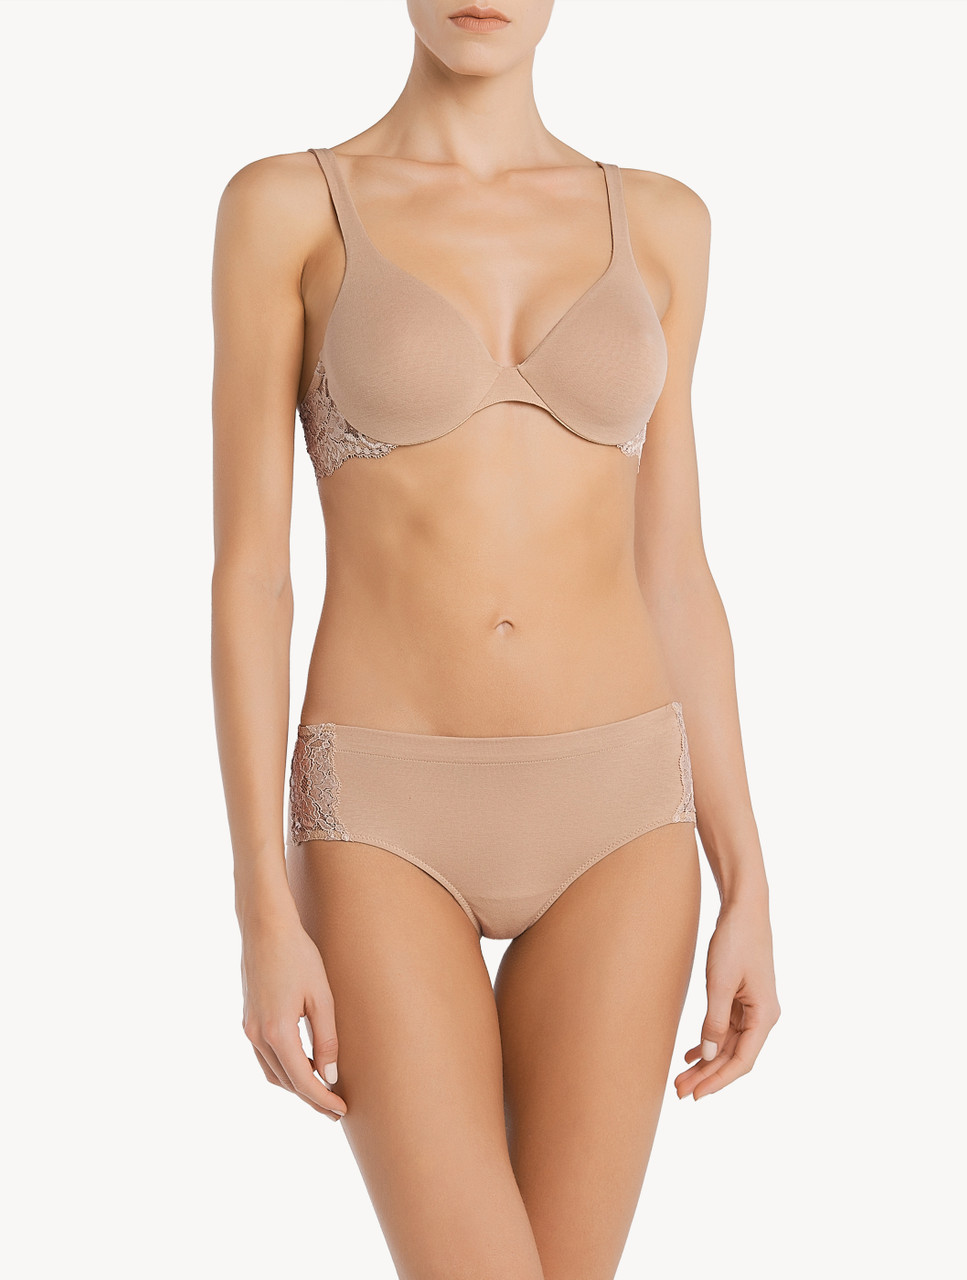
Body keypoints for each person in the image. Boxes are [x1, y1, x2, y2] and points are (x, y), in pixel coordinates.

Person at [211, 1, 780, 1275]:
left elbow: (675, 569)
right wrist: (259, 902)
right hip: (381, 812)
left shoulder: (663, 222)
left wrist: (746, 876)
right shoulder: (287, 208)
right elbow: (251, 577)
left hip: (625, 813)